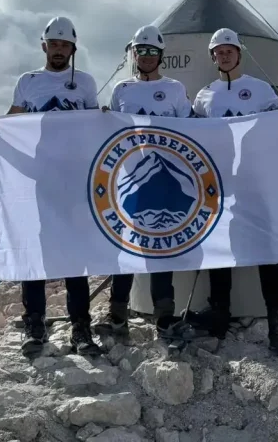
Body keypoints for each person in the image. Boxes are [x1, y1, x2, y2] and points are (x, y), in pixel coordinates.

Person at [0, 15, 101, 356]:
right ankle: (35, 325)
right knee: (33, 251)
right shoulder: (28, 82)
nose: (59, 50)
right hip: (35, 180)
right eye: (54, 43)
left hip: (74, 181)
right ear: (44, 46)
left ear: (73, 48)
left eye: (65, 45)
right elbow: (14, 120)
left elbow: (95, 126)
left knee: (76, 254)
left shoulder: (86, 83)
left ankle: (81, 327)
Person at [190, 27, 278, 354]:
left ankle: (277, 318)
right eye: (219, 52)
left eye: (230, 50)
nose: (224, 55)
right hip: (220, 186)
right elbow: (192, 133)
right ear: (213, 57)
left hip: (256, 184)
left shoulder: (260, 89)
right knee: (219, 249)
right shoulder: (204, 96)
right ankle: (220, 313)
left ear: (239, 53)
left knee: (264, 250)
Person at [94, 24, 195, 342]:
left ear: (161, 55)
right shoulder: (122, 90)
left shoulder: (176, 89)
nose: (147, 56)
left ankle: (164, 316)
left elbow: (192, 130)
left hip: (166, 178)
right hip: (128, 178)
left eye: (152, 51)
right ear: (134, 55)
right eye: (141, 51)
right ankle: (118, 315)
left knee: (160, 250)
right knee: (123, 250)